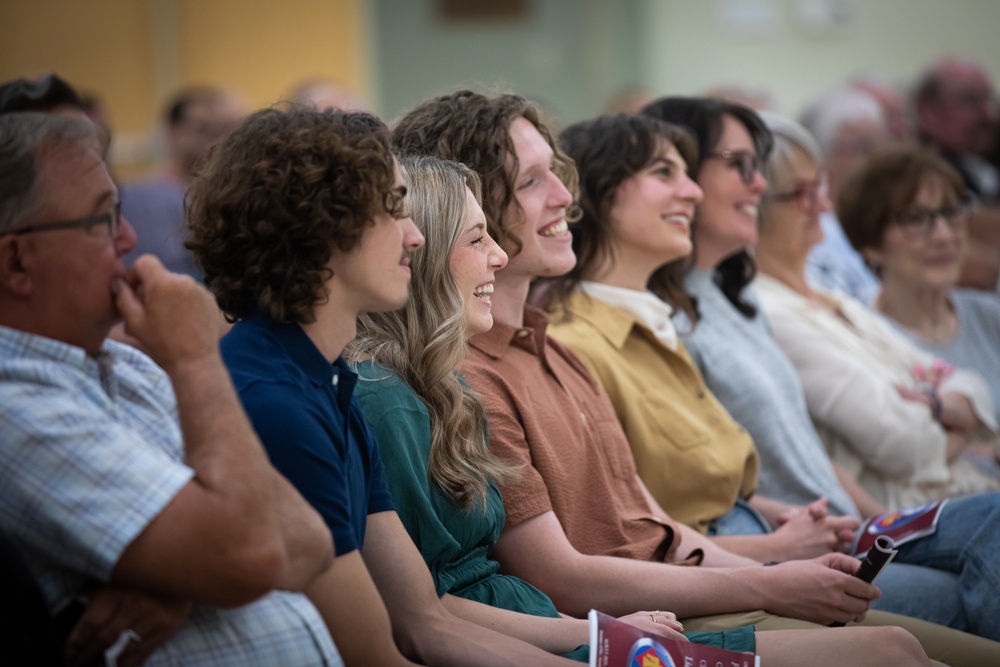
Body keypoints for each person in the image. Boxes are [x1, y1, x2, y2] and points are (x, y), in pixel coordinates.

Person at [390, 89, 975, 665]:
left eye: (559, 174)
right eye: (531, 181)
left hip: (691, 585)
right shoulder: (479, 371)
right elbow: (553, 576)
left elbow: (657, 524)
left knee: (912, 637)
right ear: (461, 215)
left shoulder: (555, 346)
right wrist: (770, 575)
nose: (569, 198)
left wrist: (779, 572)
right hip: (658, 610)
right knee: (905, 638)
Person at [186, 105, 605, 667]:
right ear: (322, 235)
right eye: (393, 211)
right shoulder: (277, 401)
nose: (414, 238)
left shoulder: (326, 379)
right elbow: (389, 650)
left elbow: (424, 620)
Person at [641, 95, 1000, 642]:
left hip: (845, 523)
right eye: (740, 167)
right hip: (792, 542)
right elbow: (898, 440)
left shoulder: (735, 298)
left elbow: (807, 443)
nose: (757, 186)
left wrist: (876, 521)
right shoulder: (681, 318)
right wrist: (941, 416)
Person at [0, 112, 340, 665]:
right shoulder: (14, 405)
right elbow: (254, 551)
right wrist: (194, 355)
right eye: (103, 220)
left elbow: (307, 541)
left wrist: (182, 584)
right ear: (17, 261)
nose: (130, 238)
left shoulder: (125, 367)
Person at [349, 154, 709, 661]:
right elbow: (425, 613)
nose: (499, 255)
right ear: (420, 257)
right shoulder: (386, 399)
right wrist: (601, 633)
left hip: (550, 627)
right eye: (477, 239)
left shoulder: (444, 385)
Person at [748, 108, 1000, 510]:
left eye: (821, 187)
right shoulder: (772, 314)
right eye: (803, 194)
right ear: (753, 207)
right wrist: (955, 418)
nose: (822, 206)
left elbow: (971, 385)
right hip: (917, 513)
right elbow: (908, 445)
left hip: (960, 494)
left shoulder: (834, 300)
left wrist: (939, 406)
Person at [839, 143, 1000, 424]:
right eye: (916, 219)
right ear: (871, 242)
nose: (944, 235)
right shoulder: (861, 339)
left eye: (951, 213)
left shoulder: (991, 316)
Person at [122, 85, 246, 277]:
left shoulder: (219, 195)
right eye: (200, 129)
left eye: (215, 131)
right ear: (174, 131)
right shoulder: (143, 197)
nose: (210, 140)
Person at [914, 56, 1000, 290]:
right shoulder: (918, 177)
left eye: (988, 100)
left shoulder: (987, 165)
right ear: (928, 111)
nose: (987, 114)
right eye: (969, 101)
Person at [797, 87, 889, 304]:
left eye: (880, 147)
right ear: (821, 158)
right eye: (862, 149)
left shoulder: (886, 224)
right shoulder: (814, 235)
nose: (877, 161)